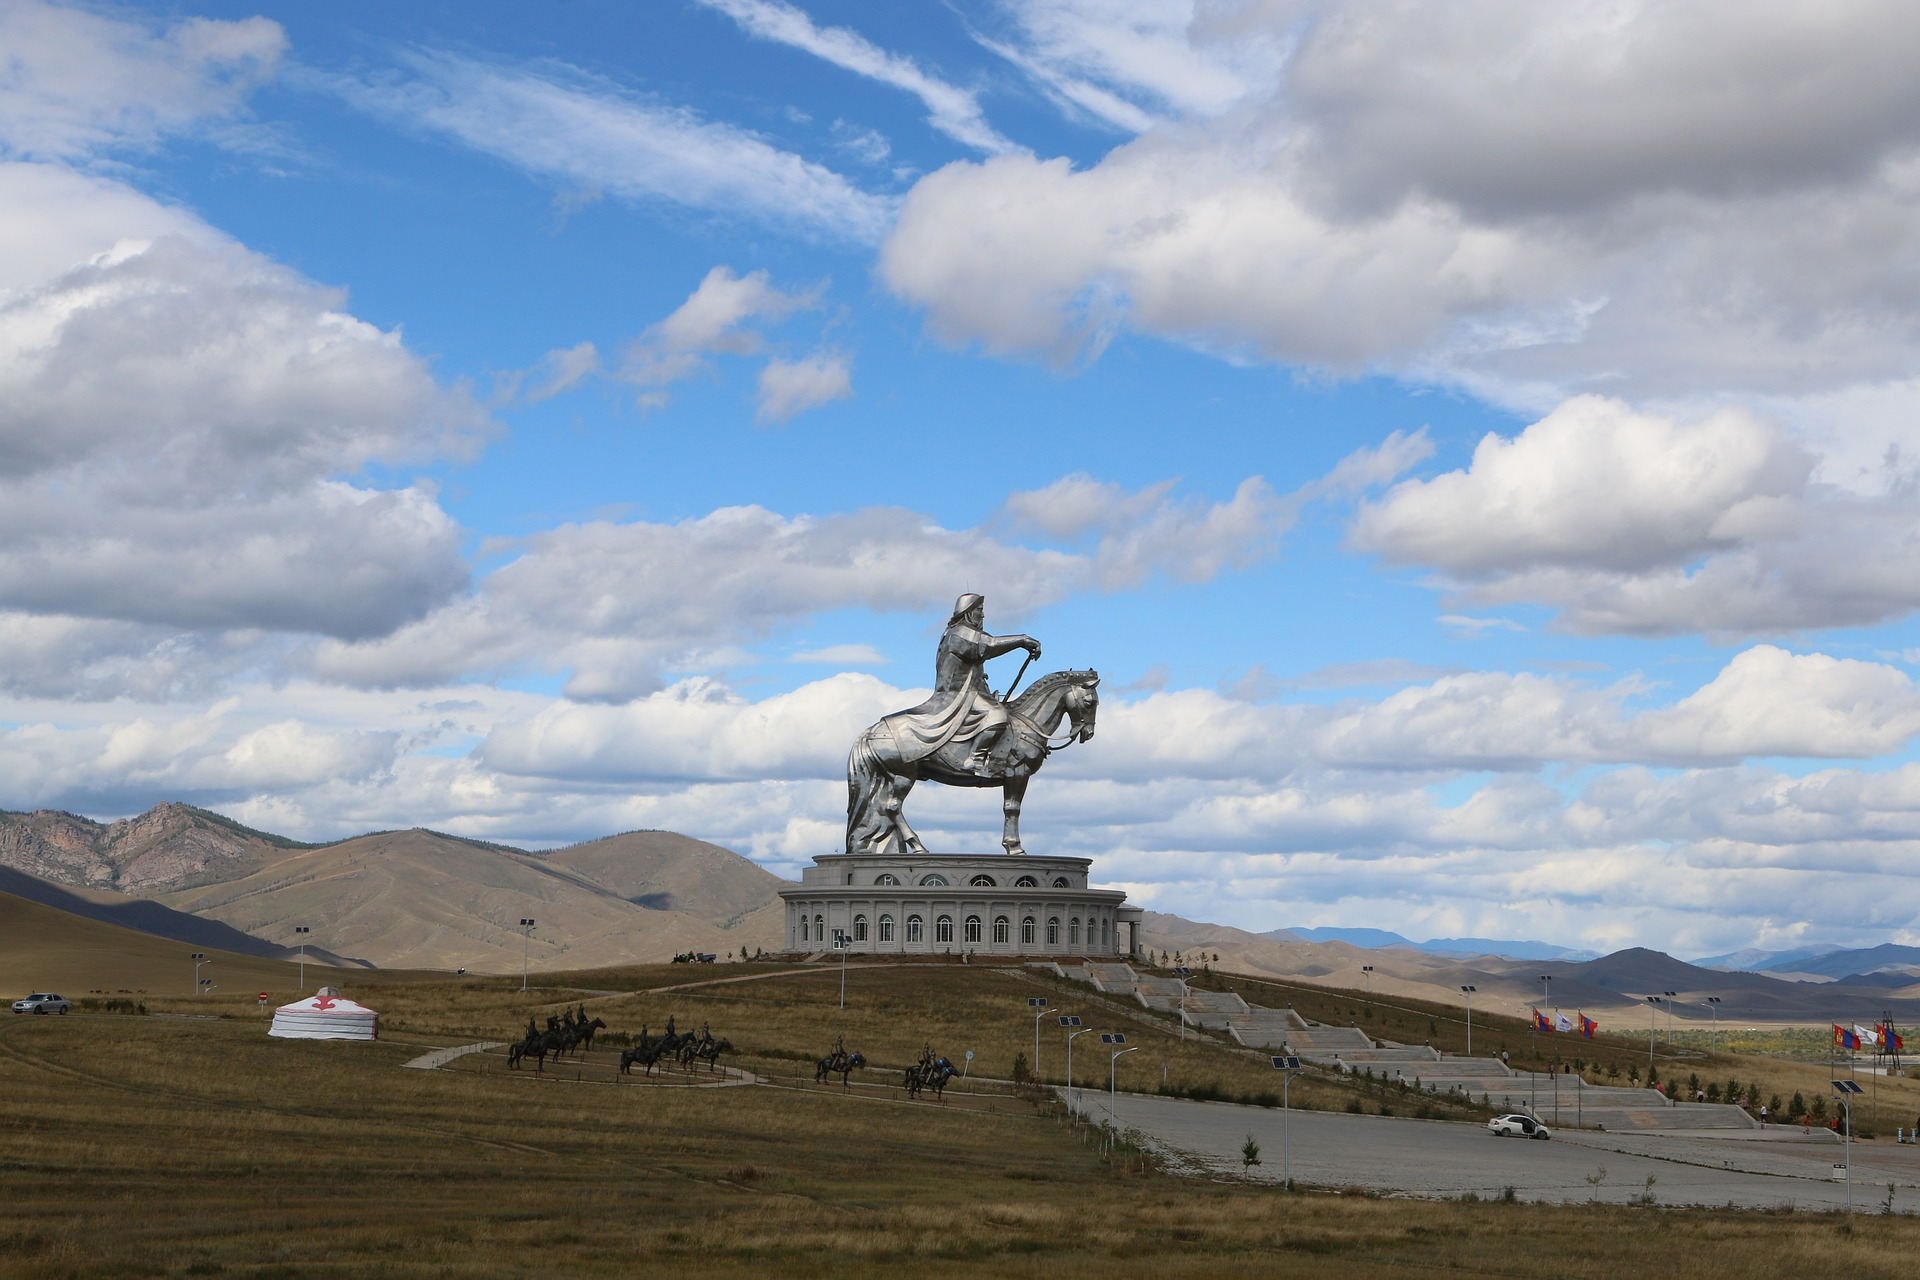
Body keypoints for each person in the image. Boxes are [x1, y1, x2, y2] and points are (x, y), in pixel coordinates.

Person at [890, 593, 1041, 775]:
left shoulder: (958, 633)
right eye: (979, 611)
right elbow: (990, 645)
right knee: (997, 714)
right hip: (960, 694)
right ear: (968, 613)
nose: (982, 615)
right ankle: (975, 759)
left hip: (970, 692)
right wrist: (1022, 640)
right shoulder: (960, 633)